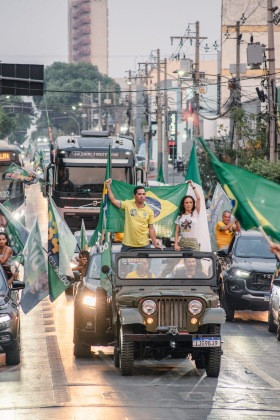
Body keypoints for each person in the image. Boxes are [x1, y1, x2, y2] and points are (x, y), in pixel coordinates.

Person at [105, 179, 161, 251]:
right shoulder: (128, 204)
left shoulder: (149, 210)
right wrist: (108, 186)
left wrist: (155, 243)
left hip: (144, 245)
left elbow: (151, 228)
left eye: (143, 194)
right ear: (134, 196)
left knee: (148, 262)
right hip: (128, 245)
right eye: (139, 194)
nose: (142, 196)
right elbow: (113, 200)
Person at [174, 180, 201, 251]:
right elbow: (176, 232)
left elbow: (198, 198)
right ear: (183, 204)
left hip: (193, 242)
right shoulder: (179, 217)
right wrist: (176, 244)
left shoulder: (195, 213)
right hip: (182, 241)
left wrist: (193, 185)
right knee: (182, 261)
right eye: (186, 203)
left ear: (193, 204)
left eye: (191, 202)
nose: (189, 204)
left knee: (195, 261)